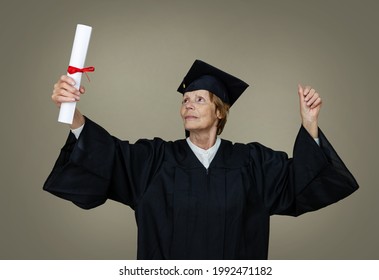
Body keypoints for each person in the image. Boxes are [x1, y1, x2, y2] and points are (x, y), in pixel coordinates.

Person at [44, 59, 359, 259]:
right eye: (184, 100)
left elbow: (302, 184)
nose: (188, 106)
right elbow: (107, 157)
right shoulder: (154, 161)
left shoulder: (252, 163)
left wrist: (310, 125)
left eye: (198, 100)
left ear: (220, 111)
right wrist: (74, 117)